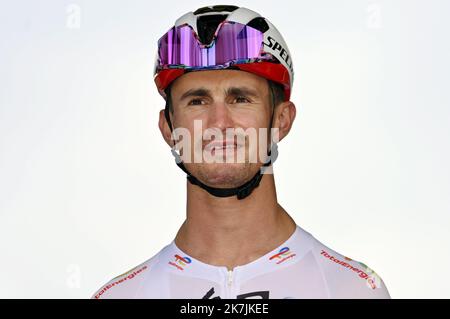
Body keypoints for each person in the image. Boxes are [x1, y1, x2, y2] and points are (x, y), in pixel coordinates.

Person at [92, 5, 390, 299]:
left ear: (281, 120)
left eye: (240, 99)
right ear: (168, 128)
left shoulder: (353, 290)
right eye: (197, 102)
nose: (219, 123)